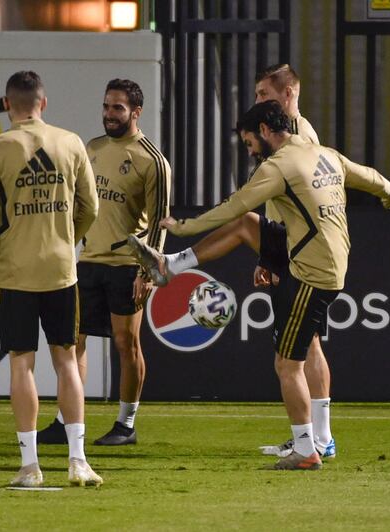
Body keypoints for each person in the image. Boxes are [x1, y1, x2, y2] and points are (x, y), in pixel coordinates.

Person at [130, 100, 390, 470]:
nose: (250, 151)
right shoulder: (324, 154)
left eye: (249, 143)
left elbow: (233, 204)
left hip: (311, 272)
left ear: (264, 131)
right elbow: (368, 176)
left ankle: (307, 449)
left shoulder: (279, 167)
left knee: (287, 364)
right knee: (249, 225)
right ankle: (170, 266)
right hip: (313, 254)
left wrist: (183, 227)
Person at [133, 64, 339, 460]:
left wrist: (189, 225)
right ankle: (317, 438)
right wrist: (268, 253)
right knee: (307, 341)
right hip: (295, 244)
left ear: (288, 94)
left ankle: (171, 265)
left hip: (305, 250)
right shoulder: (289, 135)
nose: (257, 100)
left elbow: (256, 204)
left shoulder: (293, 137)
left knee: (295, 348)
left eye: (264, 94)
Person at [0, 70, 102, 487]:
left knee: (21, 366)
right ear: (43, 104)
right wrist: (67, 238)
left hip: (15, 273)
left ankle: (30, 466)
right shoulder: (71, 142)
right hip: (61, 270)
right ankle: (78, 461)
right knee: (66, 362)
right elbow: (91, 208)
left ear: (8, 105)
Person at [38, 79, 171, 447]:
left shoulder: (153, 160)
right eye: (106, 106)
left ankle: (126, 425)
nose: (109, 114)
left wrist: (149, 271)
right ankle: (68, 421)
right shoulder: (91, 148)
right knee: (73, 343)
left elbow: (161, 221)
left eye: (118, 108)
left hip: (128, 266)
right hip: (87, 263)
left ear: (136, 112)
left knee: (127, 344)